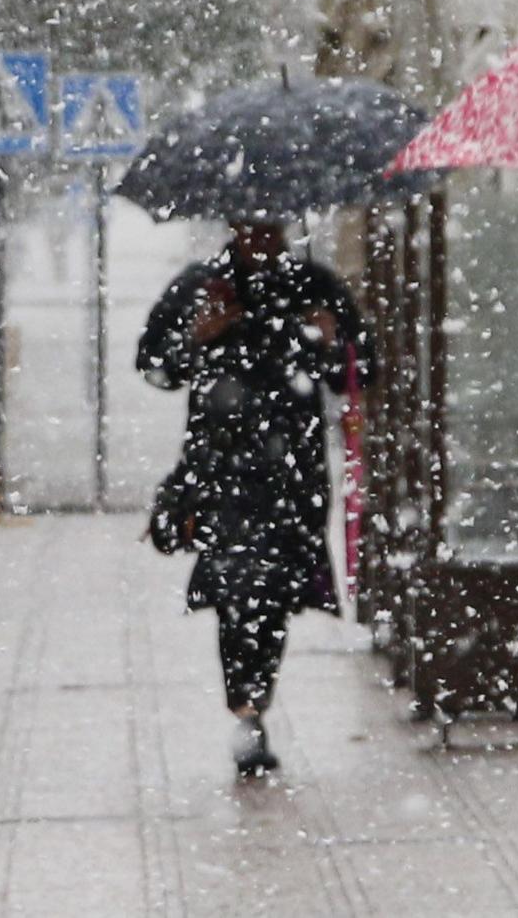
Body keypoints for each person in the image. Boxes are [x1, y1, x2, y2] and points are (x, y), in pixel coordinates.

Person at [139, 222, 375, 778]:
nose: (263, 234)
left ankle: (253, 701)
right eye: (251, 222)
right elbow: (154, 366)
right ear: (234, 226)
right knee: (237, 591)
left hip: (291, 475)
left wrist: (330, 340)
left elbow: (360, 371)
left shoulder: (312, 286)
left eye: (272, 222)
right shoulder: (204, 285)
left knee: (271, 597)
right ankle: (248, 707)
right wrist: (197, 338)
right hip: (221, 470)